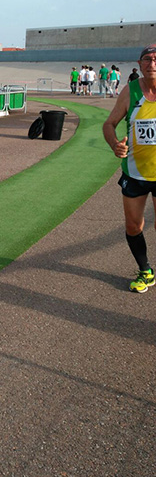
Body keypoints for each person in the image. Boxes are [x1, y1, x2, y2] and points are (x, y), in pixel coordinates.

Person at [103, 44, 156, 293]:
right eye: (147, 59)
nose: (152, 63)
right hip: (135, 173)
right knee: (133, 227)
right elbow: (109, 124)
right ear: (139, 63)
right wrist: (115, 144)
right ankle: (145, 271)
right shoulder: (130, 91)